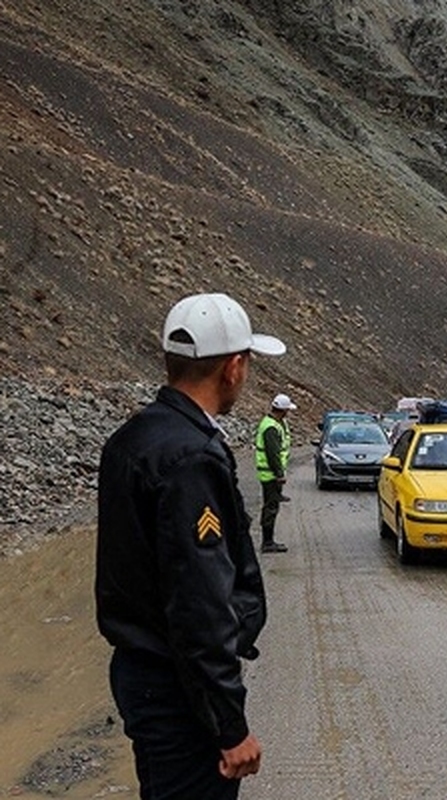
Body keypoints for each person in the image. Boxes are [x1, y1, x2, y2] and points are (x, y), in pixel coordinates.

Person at [96, 292, 286, 799]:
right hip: (178, 692)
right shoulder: (191, 457)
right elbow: (198, 601)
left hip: (143, 675)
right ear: (234, 367)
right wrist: (229, 725)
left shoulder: (131, 438)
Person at [255, 393, 297, 553]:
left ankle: (268, 540)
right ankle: (267, 542)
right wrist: (279, 474)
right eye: (287, 410)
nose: (288, 413)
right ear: (283, 410)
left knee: (272, 504)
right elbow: (273, 454)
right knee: (270, 507)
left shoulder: (273, 423)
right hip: (270, 475)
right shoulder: (271, 428)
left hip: (270, 474)